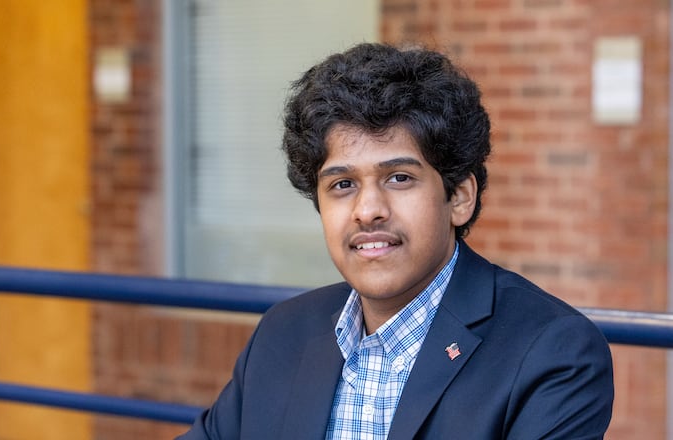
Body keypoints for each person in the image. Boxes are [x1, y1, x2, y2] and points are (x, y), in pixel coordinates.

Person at [178, 43, 613, 440]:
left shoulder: (553, 355)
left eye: (399, 178)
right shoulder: (284, 333)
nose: (368, 210)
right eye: (343, 184)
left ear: (459, 196)